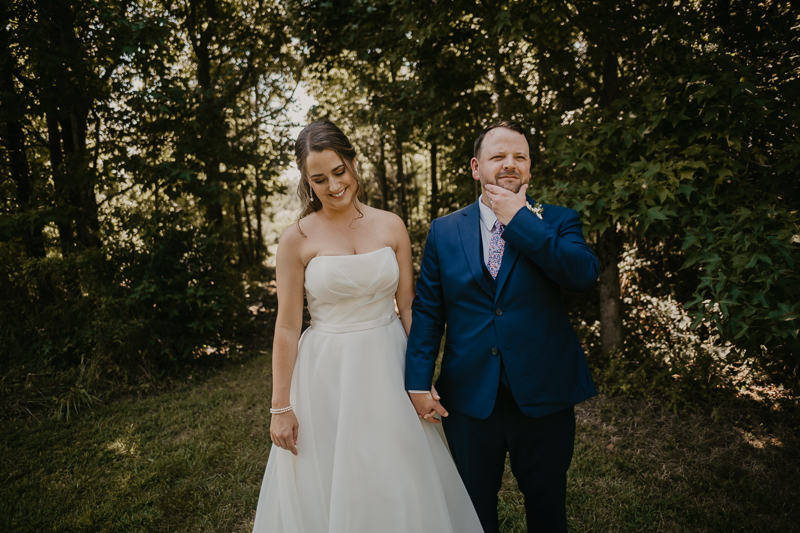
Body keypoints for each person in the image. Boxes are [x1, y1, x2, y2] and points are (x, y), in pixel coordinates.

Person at [251, 120, 483, 533]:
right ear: (307, 182)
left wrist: (421, 378)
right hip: (327, 371)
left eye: (339, 171)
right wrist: (280, 407)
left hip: (389, 359)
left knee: (400, 468)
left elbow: (409, 306)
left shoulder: (391, 224)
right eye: (319, 179)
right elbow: (287, 327)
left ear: (353, 162)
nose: (334, 186)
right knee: (336, 475)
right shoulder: (296, 238)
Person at [405, 121, 599, 533]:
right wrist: (418, 381)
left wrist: (519, 219)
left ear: (529, 168)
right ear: (477, 167)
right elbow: (427, 310)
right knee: (473, 509)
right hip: (470, 397)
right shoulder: (444, 230)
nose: (510, 164)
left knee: (547, 505)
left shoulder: (559, 220)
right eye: (498, 156)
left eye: (520, 157)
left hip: (544, 393)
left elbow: (582, 276)